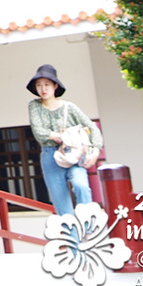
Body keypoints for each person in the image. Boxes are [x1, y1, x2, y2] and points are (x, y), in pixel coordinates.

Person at [27, 64, 102, 215]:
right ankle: (74, 239)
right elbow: (39, 132)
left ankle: (89, 228)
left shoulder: (69, 107)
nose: (43, 89)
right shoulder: (34, 106)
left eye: (47, 84)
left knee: (81, 186)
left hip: (74, 154)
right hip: (50, 156)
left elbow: (92, 127)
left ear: (55, 86)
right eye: (39, 85)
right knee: (62, 205)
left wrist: (95, 152)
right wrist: (59, 136)